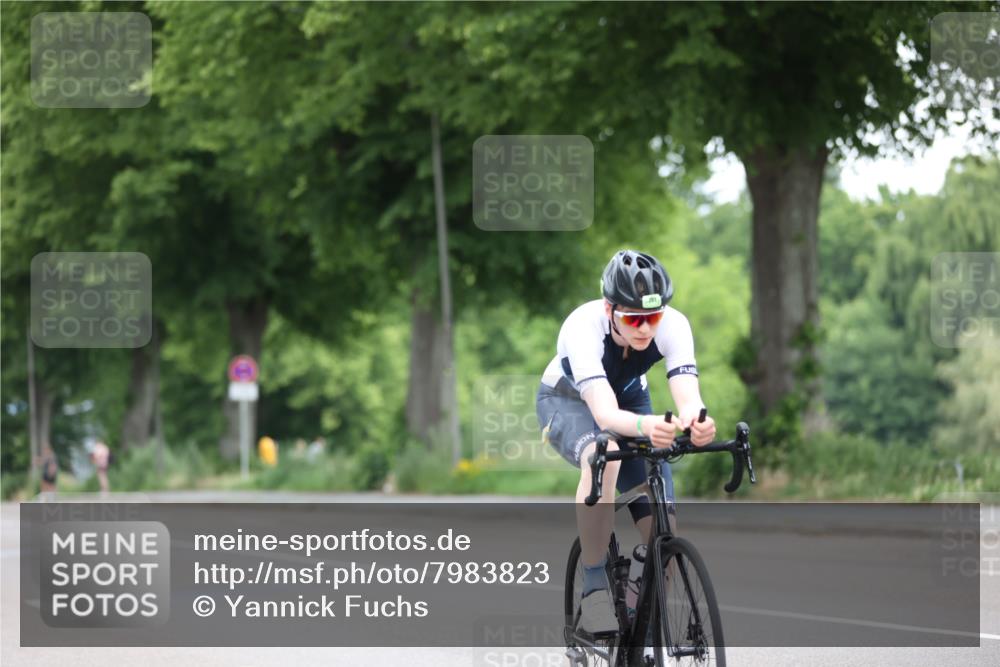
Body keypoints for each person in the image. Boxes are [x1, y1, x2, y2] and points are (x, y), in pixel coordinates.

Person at [535, 249, 716, 635]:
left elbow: (688, 394)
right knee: (604, 455)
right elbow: (604, 415)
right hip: (568, 401)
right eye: (633, 318)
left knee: (662, 535)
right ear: (609, 308)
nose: (645, 328)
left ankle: (643, 624)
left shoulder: (674, 325)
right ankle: (596, 584)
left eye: (652, 317)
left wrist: (698, 421)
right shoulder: (582, 328)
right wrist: (649, 425)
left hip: (632, 399)